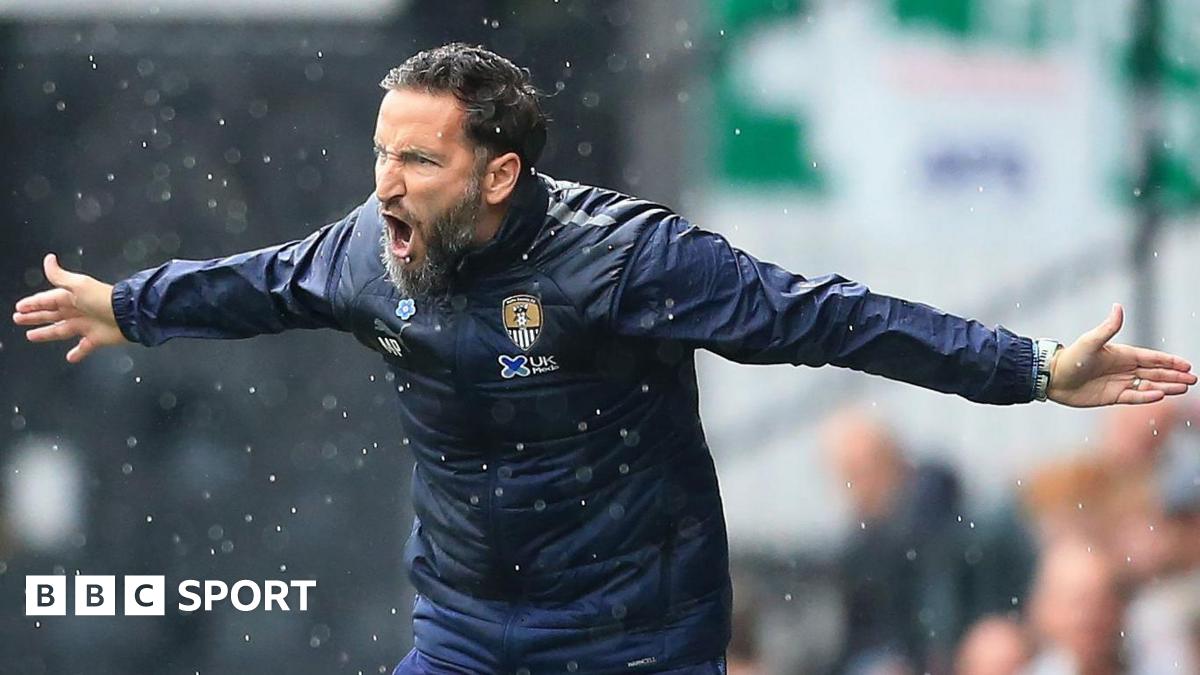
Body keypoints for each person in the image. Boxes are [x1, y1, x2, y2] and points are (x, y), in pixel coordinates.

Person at [11, 43, 1196, 674]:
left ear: (500, 174)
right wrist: (133, 305)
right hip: (470, 630)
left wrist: (1032, 368)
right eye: (381, 154)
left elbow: (834, 316)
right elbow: (261, 282)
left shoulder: (630, 260)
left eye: (417, 162)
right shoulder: (366, 255)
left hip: (635, 635)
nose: (384, 186)